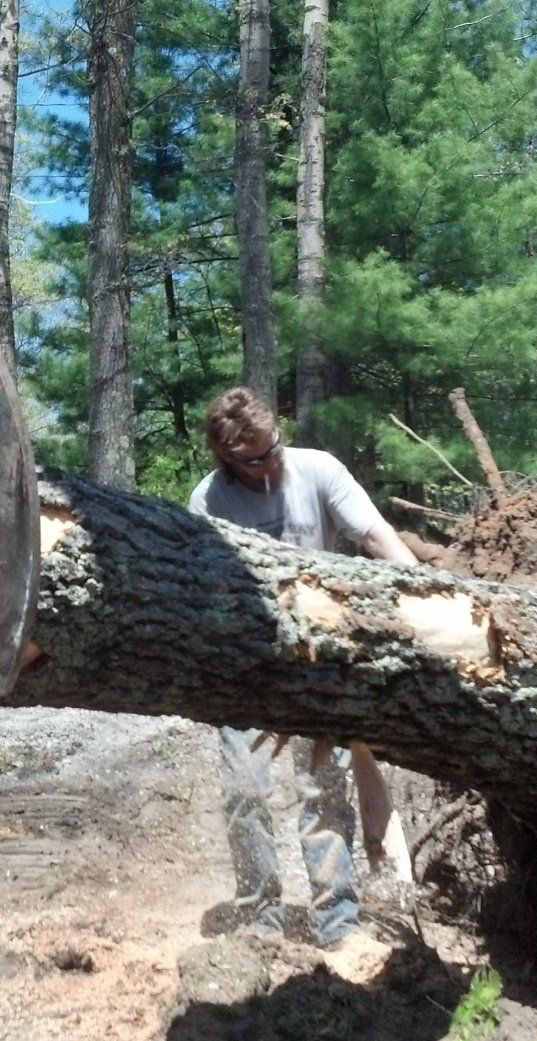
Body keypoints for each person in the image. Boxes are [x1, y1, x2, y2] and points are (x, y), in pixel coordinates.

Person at [186, 386, 419, 953]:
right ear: (226, 458)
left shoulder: (317, 470)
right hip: (249, 664)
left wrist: (420, 586)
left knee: (324, 788)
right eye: (254, 459)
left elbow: (371, 532)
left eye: (274, 449)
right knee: (245, 790)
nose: (269, 463)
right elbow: (198, 586)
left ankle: (337, 920)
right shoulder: (208, 500)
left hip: (322, 657)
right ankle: (261, 915)